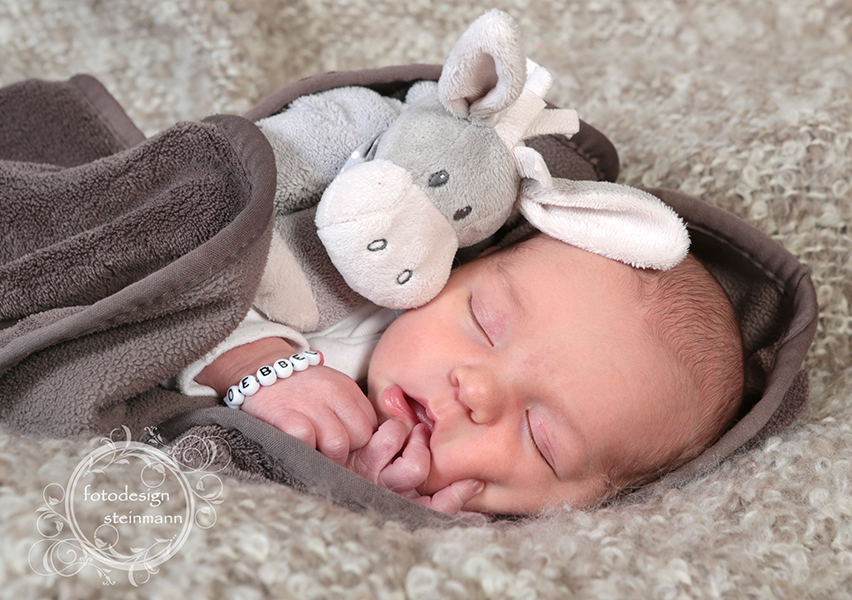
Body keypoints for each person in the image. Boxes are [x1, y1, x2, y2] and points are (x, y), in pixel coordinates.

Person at [187, 232, 745, 517]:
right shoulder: (338, 280)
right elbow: (182, 280)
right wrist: (253, 365)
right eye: (484, 322)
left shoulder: (443, 530)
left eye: (539, 437)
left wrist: (351, 493)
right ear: (459, 266)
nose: (477, 389)